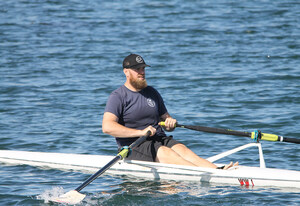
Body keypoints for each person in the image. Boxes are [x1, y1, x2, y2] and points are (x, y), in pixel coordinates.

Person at [102, 54, 237, 169]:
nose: (142, 72)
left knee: (184, 151)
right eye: (138, 69)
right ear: (126, 72)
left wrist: (170, 123)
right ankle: (206, 175)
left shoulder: (152, 92)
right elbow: (107, 127)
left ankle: (218, 170)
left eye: (143, 68)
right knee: (168, 153)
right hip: (135, 146)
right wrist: (140, 132)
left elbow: (166, 119)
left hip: (160, 139)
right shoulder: (118, 96)